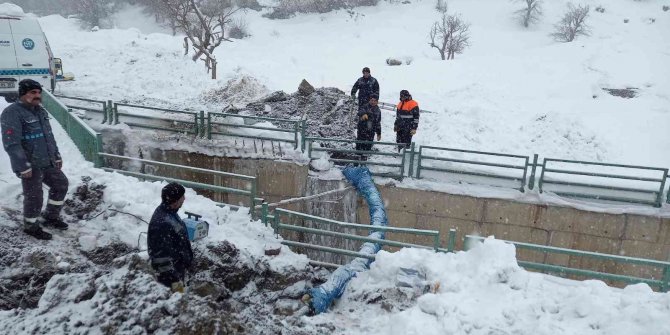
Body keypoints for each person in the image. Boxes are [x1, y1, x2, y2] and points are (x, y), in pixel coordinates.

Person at [1, 79, 69, 240]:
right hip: (30, 164)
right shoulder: (12, 113)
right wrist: (22, 165)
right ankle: (30, 226)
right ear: (23, 94)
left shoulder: (40, 111)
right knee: (34, 196)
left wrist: (57, 155)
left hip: (48, 161)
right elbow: (11, 143)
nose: (37, 96)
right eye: (33, 93)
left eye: (39, 92)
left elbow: (49, 137)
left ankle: (51, 217)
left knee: (61, 185)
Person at [148, 182, 193, 293]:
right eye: (182, 197)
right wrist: (175, 281)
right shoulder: (162, 223)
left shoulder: (169, 212)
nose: (184, 199)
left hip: (177, 270)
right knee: (176, 302)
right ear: (175, 201)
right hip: (171, 278)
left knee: (179, 299)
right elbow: (161, 259)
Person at [355, 94, 382, 158]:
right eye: (372, 100)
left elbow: (378, 122)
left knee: (367, 148)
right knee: (359, 146)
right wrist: (363, 114)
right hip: (362, 130)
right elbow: (359, 111)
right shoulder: (365, 106)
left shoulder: (378, 111)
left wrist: (379, 133)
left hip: (371, 132)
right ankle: (356, 163)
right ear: (369, 100)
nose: (373, 102)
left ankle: (363, 164)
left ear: (377, 101)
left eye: (375, 101)